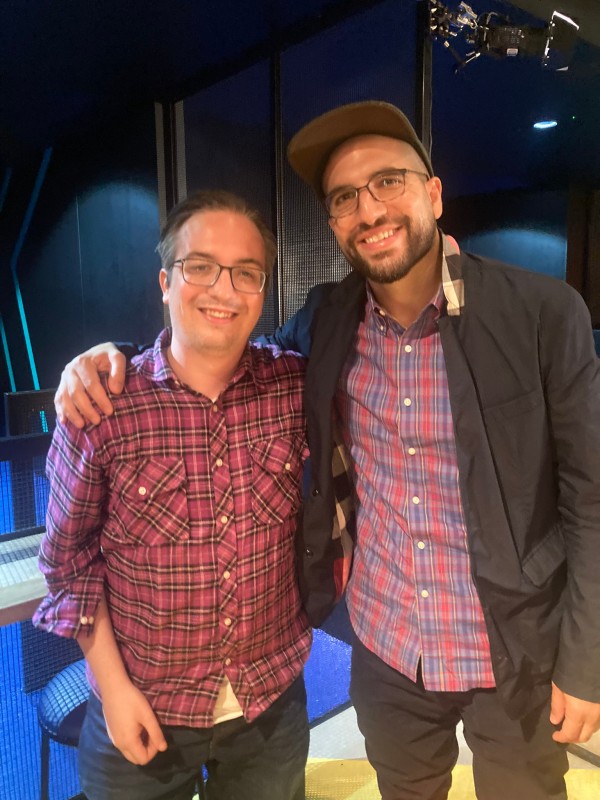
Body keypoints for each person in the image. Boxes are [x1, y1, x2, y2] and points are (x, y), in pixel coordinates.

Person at [54, 101, 600, 800]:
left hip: (514, 643)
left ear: (433, 194)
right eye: (344, 198)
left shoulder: (542, 313)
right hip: (388, 648)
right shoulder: (326, 321)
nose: (368, 210)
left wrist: (586, 660)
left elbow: (589, 497)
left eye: (388, 183)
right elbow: (212, 347)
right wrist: (111, 357)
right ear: (334, 224)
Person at [34, 189, 316, 800]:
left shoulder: (295, 389)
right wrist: (112, 688)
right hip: (142, 702)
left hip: (271, 705)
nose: (224, 289)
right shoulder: (103, 406)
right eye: (200, 267)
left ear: (263, 292)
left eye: (246, 273)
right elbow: (68, 561)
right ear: (166, 281)